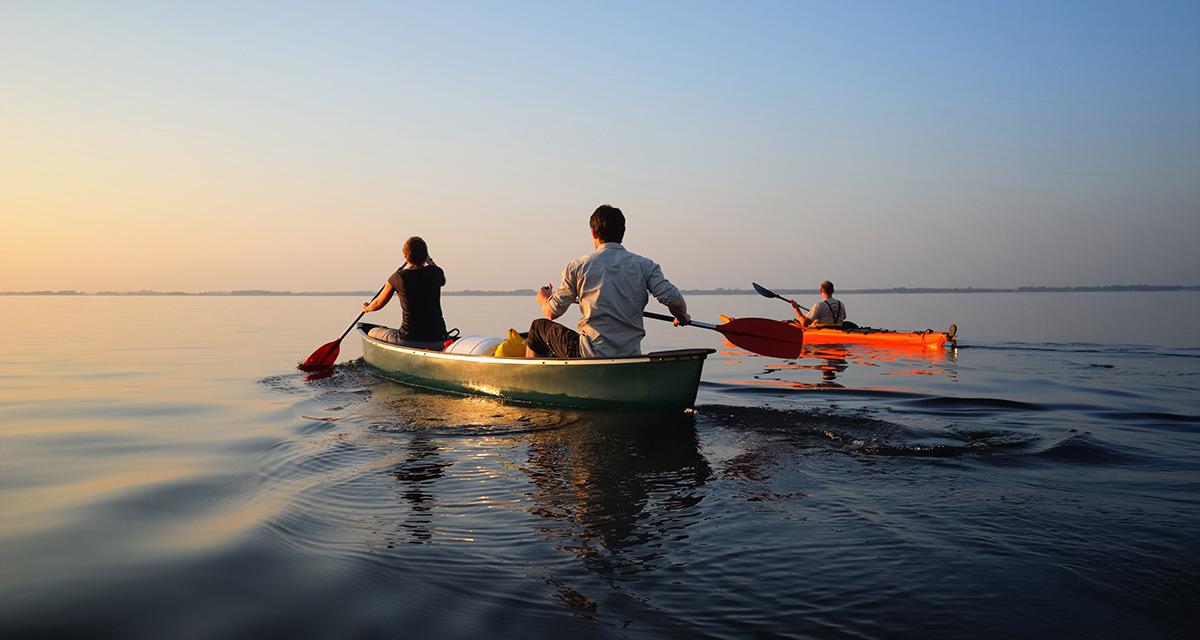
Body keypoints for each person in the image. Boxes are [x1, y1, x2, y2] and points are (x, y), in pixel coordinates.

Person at [525, 205, 690, 358]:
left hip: (590, 354)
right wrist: (681, 317)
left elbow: (552, 313)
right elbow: (676, 304)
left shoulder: (578, 267)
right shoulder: (645, 266)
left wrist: (544, 298)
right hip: (631, 355)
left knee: (537, 327)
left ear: (593, 233)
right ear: (622, 233)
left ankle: (532, 381)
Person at [361, 236, 449, 348]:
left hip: (409, 339)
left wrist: (367, 308)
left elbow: (378, 303)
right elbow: (443, 281)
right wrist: (429, 259)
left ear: (405, 256)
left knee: (371, 332)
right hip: (439, 339)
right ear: (425, 255)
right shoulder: (436, 272)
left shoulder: (397, 277)